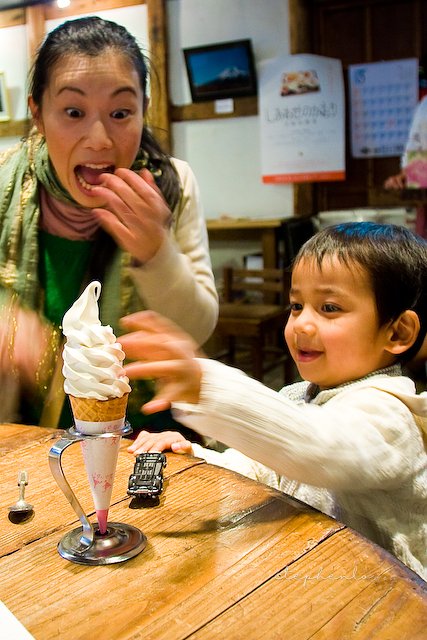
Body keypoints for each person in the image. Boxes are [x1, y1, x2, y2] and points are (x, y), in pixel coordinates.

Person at [119, 222, 427, 580]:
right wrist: (196, 454)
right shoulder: (300, 396)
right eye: (297, 306)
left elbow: (319, 447)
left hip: (383, 601)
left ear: (397, 332)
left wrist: (207, 386)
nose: (302, 324)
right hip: (311, 573)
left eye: (328, 307)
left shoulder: (392, 417)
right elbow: (263, 469)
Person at [0, 16, 218, 427]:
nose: (99, 138)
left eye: (120, 113)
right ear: (37, 114)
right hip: (22, 435)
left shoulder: (170, 184)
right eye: (73, 111)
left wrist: (158, 253)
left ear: (143, 111)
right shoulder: (5, 184)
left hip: (147, 435)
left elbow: (198, 329)